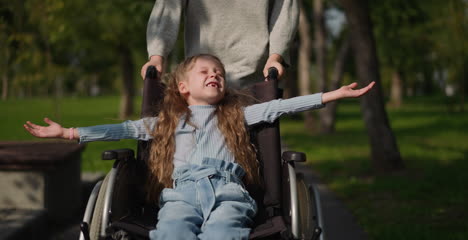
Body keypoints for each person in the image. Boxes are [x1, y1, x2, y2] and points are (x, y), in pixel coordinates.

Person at [24, 54, 374, 240]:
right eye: (205, 70)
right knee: (174, 230)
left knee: (223, 231)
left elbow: (281, 107)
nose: (215, 75)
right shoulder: (164, 123)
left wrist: (333, 95)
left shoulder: (238, 115)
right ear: (182, 87)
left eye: (219, 72)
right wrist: (69, 132)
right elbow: (122, 128)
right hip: (182, 193)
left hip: (230, 191)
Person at [142, 0, 301, 87]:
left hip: (256, 77)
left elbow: (286, 11)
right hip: (200, 76)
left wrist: (276, 57)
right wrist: (157, 56)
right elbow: (169, 3)